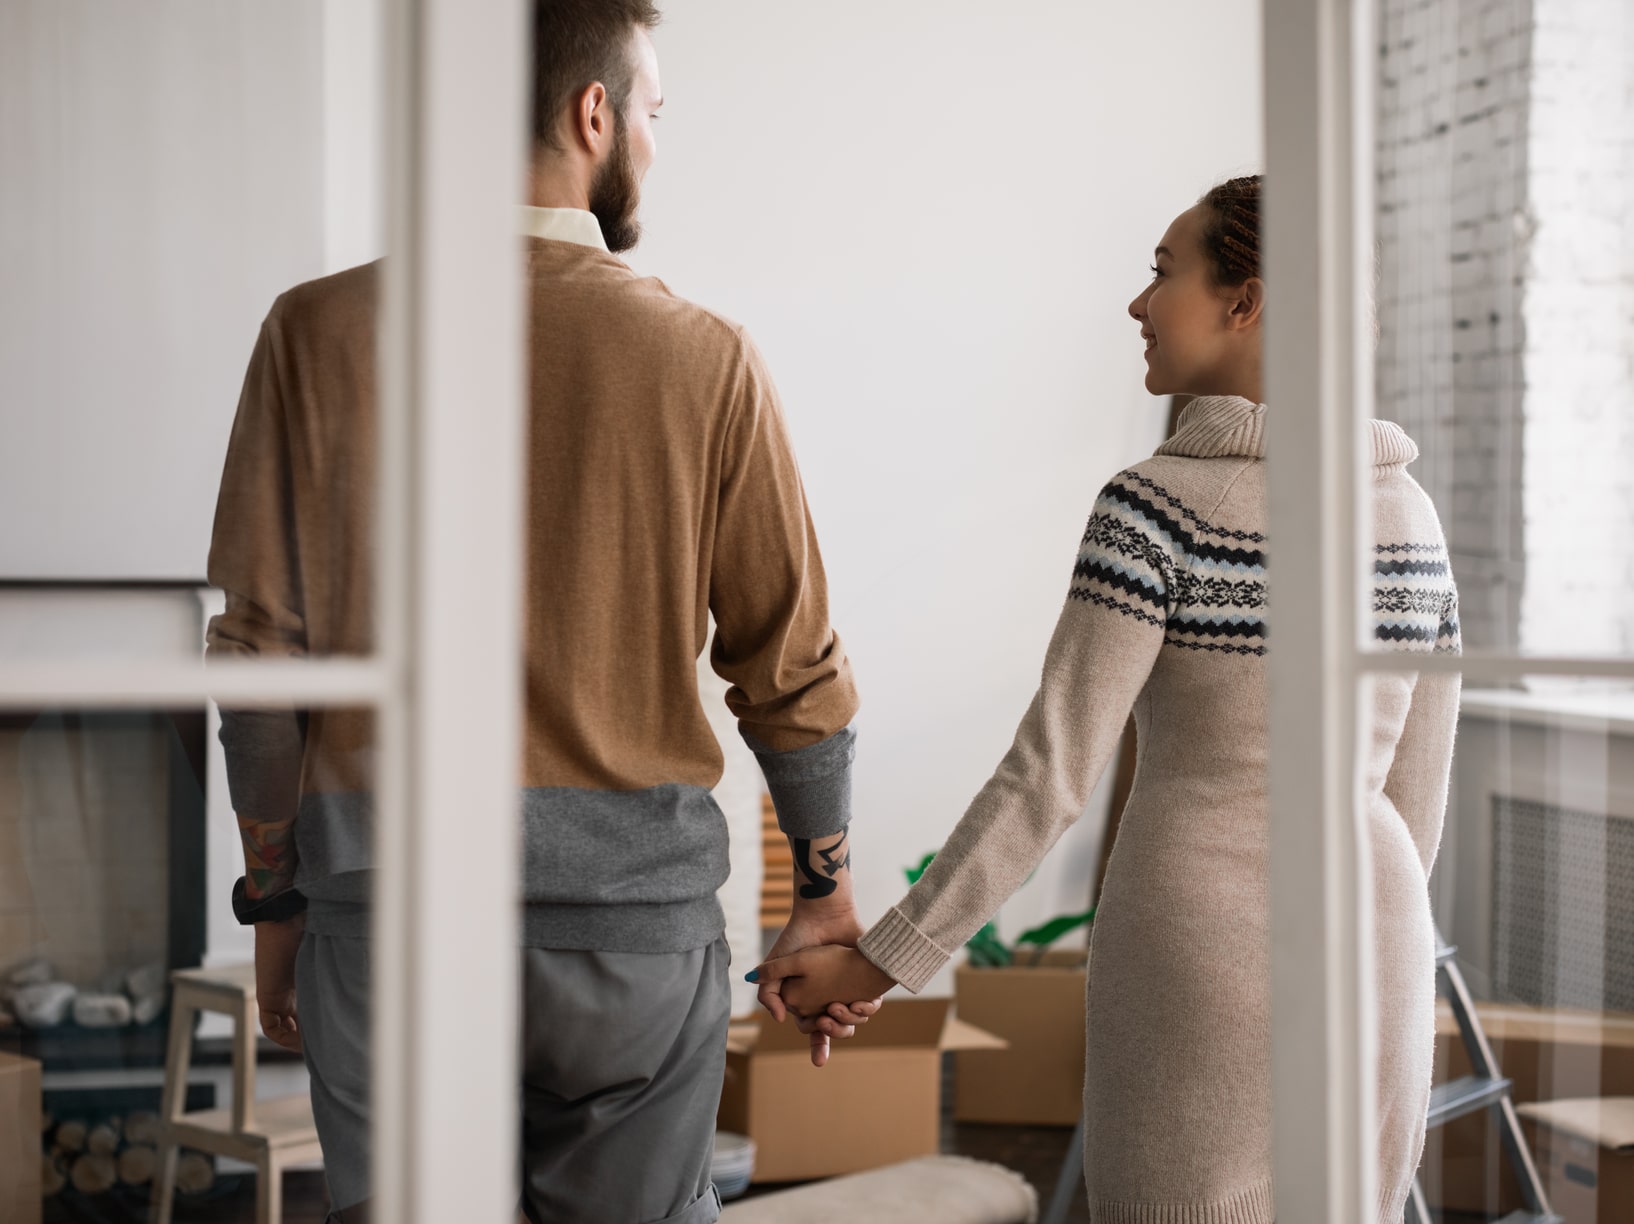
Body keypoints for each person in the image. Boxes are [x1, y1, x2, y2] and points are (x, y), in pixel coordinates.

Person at [206, 3, 875, 1221]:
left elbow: (259, 661)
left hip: (389, 923)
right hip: (631, 942)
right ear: (593, 114)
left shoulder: (315, 332)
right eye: (654, 115)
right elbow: (791, 671)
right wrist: (821, 894)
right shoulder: (703, 355)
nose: (656, 146)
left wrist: (278, 902)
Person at [754, 175, 1462, 1223]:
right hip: (1376, 937)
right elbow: (1413, 788)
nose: (1137, 305)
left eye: (1160, 272)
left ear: (1244, 300)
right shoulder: (1409, 514)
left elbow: (1051, 771)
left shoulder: (1156, 506)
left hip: (1196, 944)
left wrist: (882, 957)